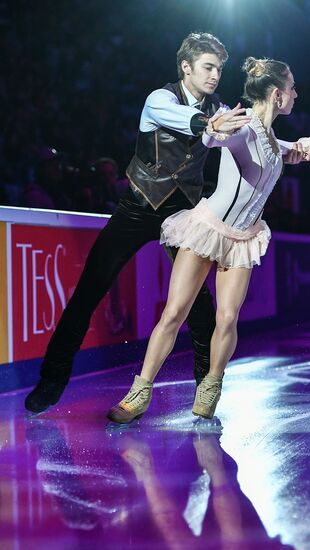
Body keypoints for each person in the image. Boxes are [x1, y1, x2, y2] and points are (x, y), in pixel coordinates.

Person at [25, 32, 250, 413]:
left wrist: (294, 148)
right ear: (186, 67)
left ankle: (204, 389)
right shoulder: (159, 100)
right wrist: (212, 125)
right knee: (89, 291)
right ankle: (52, 378)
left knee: (198, 305)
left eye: (219, 69)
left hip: (184, 212)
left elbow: (249, 136)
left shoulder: (220, 109)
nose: (215, 75)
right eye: (208, 67)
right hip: (138, 207)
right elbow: (190, 121)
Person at [107, 56, 310, 424]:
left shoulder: (268, 136)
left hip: (243, 237)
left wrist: (307, 153)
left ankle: (210, 388)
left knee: (227, 318)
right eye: (292, 87)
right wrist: (213, 128)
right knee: (174, 313)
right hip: (209, 230)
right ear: (278, 95)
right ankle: (139, 393)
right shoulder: (242, 127)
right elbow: (216, 137)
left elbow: (279, 148)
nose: (297, 93)